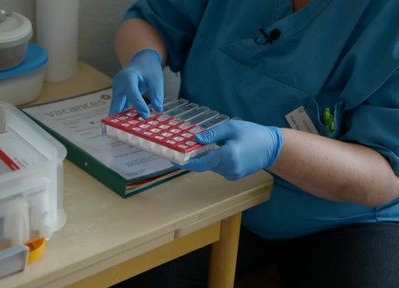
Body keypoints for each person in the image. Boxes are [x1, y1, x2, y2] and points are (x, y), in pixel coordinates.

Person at [108, 0, 399, 287]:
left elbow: (386, 174)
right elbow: (148, 19)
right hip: (207, 194)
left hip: (341, 221)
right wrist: (142, 57)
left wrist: (276, 148)